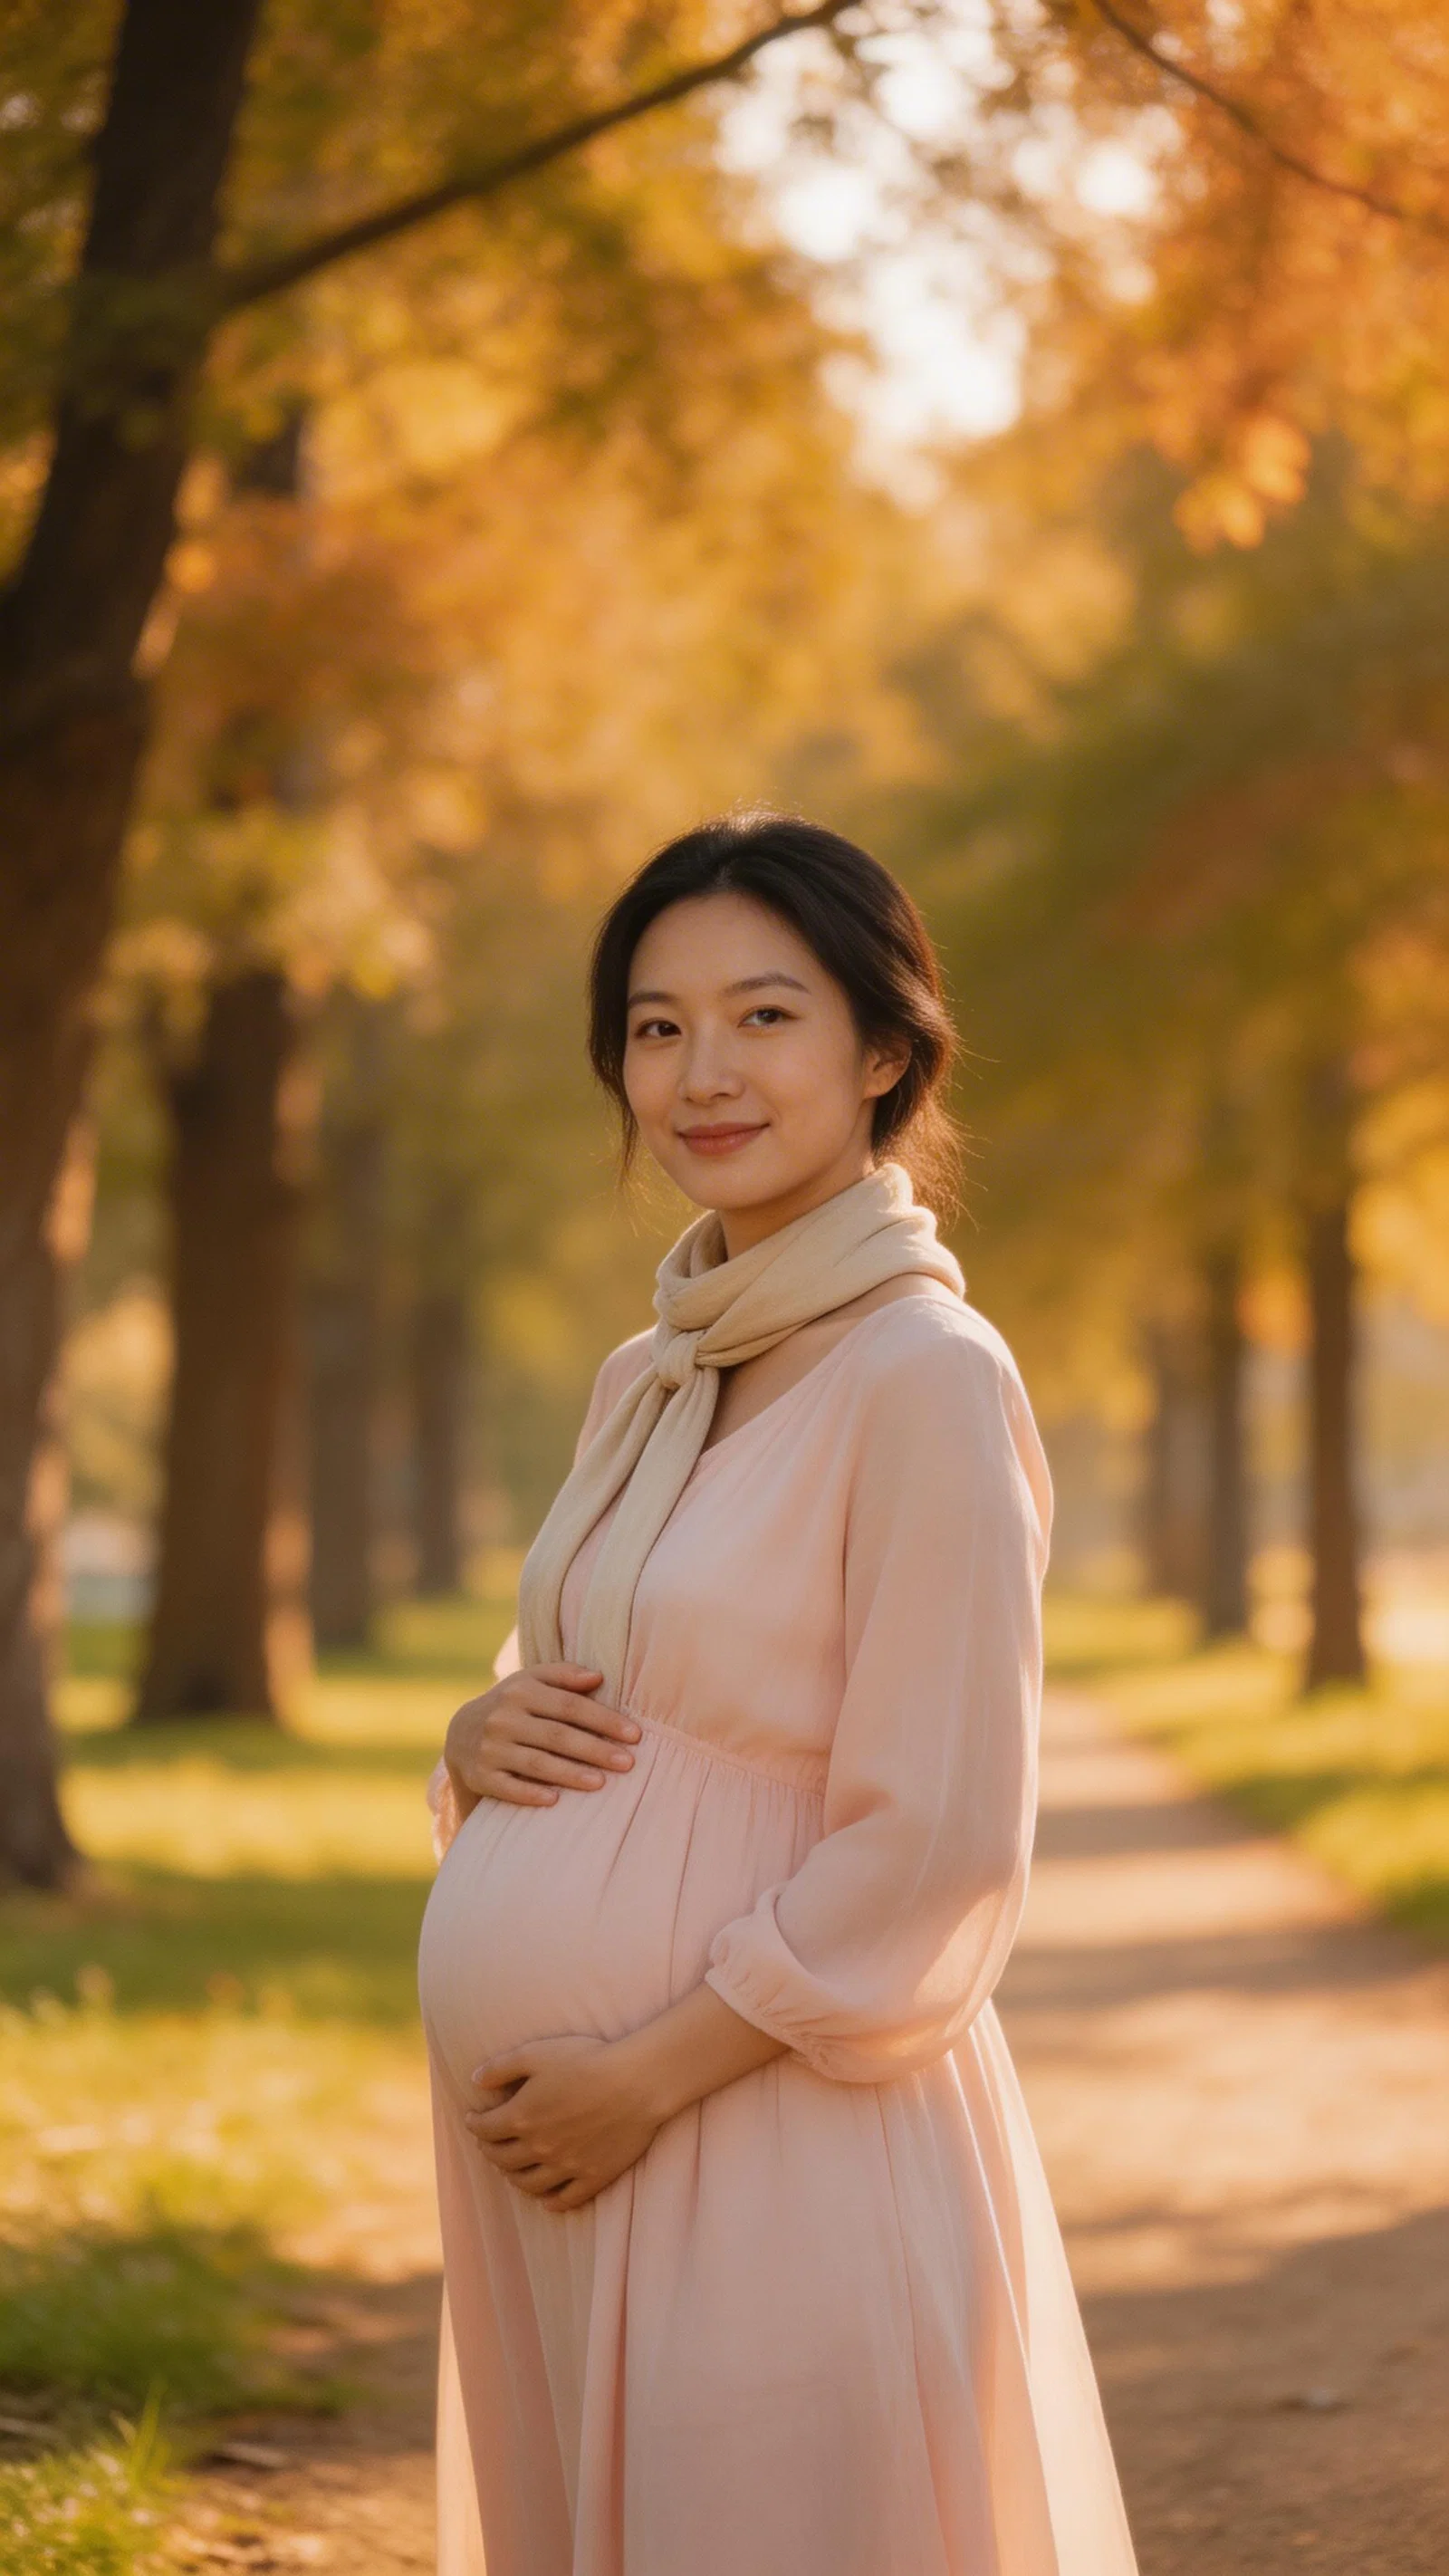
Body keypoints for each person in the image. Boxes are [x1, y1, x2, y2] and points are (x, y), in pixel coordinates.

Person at [417, 813, 1138, 2576]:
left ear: (882, 1049)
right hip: (566, 2160)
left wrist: (642, 2076)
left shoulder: (924, 1379)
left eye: (761, 1016)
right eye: (654, 1028)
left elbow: (939, 1842)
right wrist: (473, 1734)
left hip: (764, 2132)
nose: (699, 1075)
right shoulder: (645, 1377)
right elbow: (609, 1683)